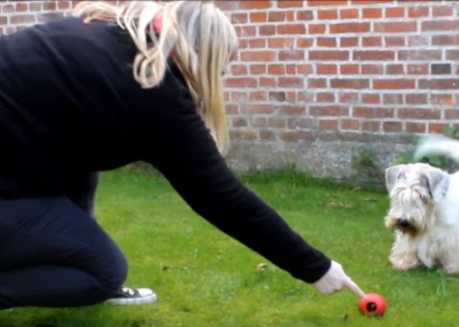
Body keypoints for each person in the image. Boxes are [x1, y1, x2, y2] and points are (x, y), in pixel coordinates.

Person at [0, 0, 364, 309]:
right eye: (221, 67)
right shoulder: (154, 90)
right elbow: (223, 198)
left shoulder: (103, 35)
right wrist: (315, 267)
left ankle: (87, 275)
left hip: (16, 165)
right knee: (103, 270)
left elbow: (73, 149)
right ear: (206, 58)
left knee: (84, 169)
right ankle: (96, 280)